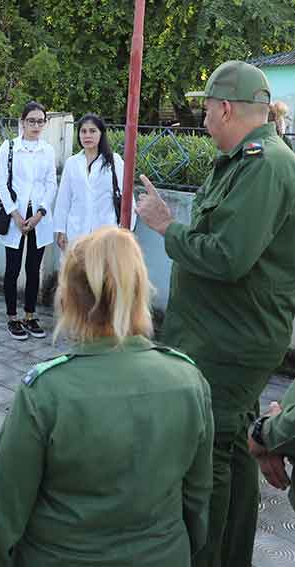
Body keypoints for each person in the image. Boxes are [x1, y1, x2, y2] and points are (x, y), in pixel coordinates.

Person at [0, 226, 214, 567]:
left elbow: (2, 516)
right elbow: (197, 505)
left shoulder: (46, 392)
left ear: (67, 298)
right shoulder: (190, 381)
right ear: (141, 291)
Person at [137, 60, 295, 567]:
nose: (201, 119)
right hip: (220, 335)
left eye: (205, 110)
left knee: (212, 459)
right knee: (236, 447)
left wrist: (167, 228)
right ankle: (233, 555)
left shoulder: (265, 163)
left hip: (231, 342)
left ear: (225, 108)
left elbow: (228, 257)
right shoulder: (240, 160)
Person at [0, 101, 57, 341]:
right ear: (22, 122)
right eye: (31, 120)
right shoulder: (9, 148)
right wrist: (16, 215)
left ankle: (30, 314)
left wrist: (40, 214)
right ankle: (12, 317)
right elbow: (1, 184)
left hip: (38, 218)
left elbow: (51, 183)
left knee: (33, 269)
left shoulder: (48, 150)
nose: (36, 125)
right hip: (15, 217)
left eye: (41, 121)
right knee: (12, 269)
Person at [54, 113, 135, 250]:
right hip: (76, 232)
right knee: (77, 270)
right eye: (83, 131)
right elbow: (63, 199)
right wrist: (61, 230)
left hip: (106, 232)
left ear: (101, 134)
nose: (87, 135)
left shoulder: (114, 161)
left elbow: (128, 199)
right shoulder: (72, 163)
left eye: (92, 131)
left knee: (103, 270)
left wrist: (125, 231)